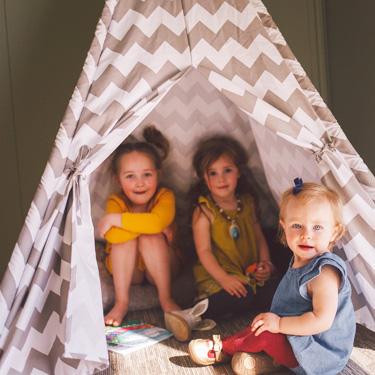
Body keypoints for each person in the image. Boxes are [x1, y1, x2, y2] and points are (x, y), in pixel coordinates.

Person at [188, 179, 356, 375]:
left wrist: (279, 324)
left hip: (320, 354)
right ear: (284, 227)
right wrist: (275, 322)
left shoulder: (324, 273)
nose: (306, 235)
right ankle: (269, 361)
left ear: (334, 231)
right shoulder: (299, 259)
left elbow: (321, 321)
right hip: (298, 338)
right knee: (261, 323)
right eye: (297, 226)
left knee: (266, 333)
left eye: (317, 227)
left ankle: (224, 348)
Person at [164, 135, 278, 342]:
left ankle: (241, 304)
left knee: (276, 289)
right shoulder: (204, 211)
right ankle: (193, 312)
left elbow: (259, 236)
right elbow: (204, 251)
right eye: (213, 173)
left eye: (227, 170)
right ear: (203, 178)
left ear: (239, 170)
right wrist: (223, 278)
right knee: (237, 296)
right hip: (218, 276)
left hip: (249, 273)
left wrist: (266, 264)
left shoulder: (247, 202)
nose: (221, 179)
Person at [98, 125, 184, 326]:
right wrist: (149, 225)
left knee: (151, 237)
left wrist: (115, 220)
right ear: (118, 180)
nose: (140, 183)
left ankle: (166, 298)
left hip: (164, 268)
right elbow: (113, 238)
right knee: (127, 240)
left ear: (158, 174)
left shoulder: (165, 196)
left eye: (147, 174)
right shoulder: (116, 201)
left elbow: (156, 223)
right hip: (131, 272)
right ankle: (121, 302)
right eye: (130, 176)